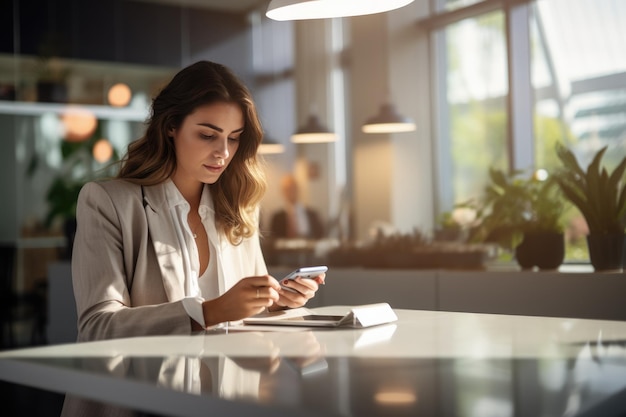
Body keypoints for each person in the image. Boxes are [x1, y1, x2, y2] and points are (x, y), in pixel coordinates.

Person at [70, 61, 325, 343]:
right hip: (143, 385)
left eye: (234, 138)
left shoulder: (241, 207)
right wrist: (208, 312)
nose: (224, 153)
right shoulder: (107, 203)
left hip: (223, 384)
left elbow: (247, 320)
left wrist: (277, 302)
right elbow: (97, 327)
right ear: (170, 127)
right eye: (207, 135)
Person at [269, 174, 325, 239]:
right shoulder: (276, 218)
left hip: (308, 247)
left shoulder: (313, 214)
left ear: (298, 189)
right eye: (287, 189)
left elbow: (321, 235)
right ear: (283, 192)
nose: (291, 192)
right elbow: (273, 240)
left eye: (293, 188)